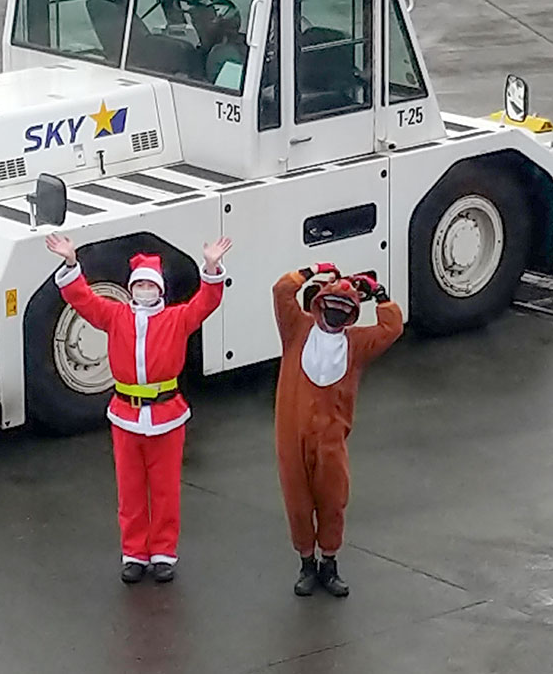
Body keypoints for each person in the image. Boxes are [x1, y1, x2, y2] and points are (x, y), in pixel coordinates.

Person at [46, 233, 232, 584]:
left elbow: (207, 301)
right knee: (130, 490)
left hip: (167, 416)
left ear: (160, 289)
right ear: (131, 289)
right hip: (125, 415)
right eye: (140, 284)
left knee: (165, 490)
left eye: (150, 284)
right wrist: (71, 263)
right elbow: (82, 298)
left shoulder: (177, 318)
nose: (145, 289)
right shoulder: (115, 316)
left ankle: (163, 554)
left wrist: (210, 267)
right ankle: (133, 553)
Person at [272, 263, 403, 598]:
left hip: (331, 439)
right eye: (331, 306)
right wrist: (312, 270)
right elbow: (282, 291)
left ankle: (329, 563)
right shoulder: (296, 329)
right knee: (297, 503)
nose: (335, 314)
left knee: (333, 499)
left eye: (344, 311)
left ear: (352, 316)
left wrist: (379, 294)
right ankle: (306, 563)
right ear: (319, 303)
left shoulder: (356, 344)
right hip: (292, 438)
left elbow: (392, 328)